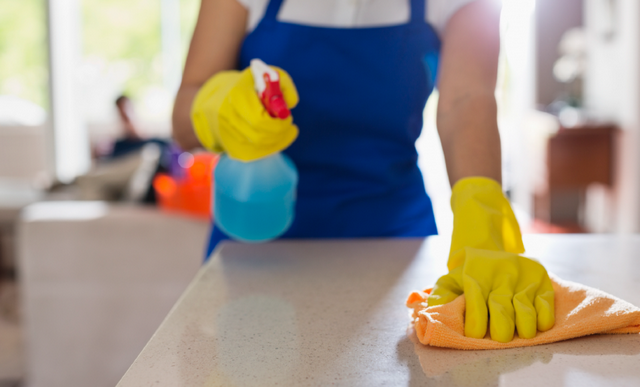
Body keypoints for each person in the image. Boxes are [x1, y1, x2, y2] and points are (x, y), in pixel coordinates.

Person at [172, 0, 555, 343]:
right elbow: (182, 117)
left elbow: (466, 98)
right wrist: (218, 107)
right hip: (256, 235)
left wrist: (482, 212)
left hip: (396, 240)